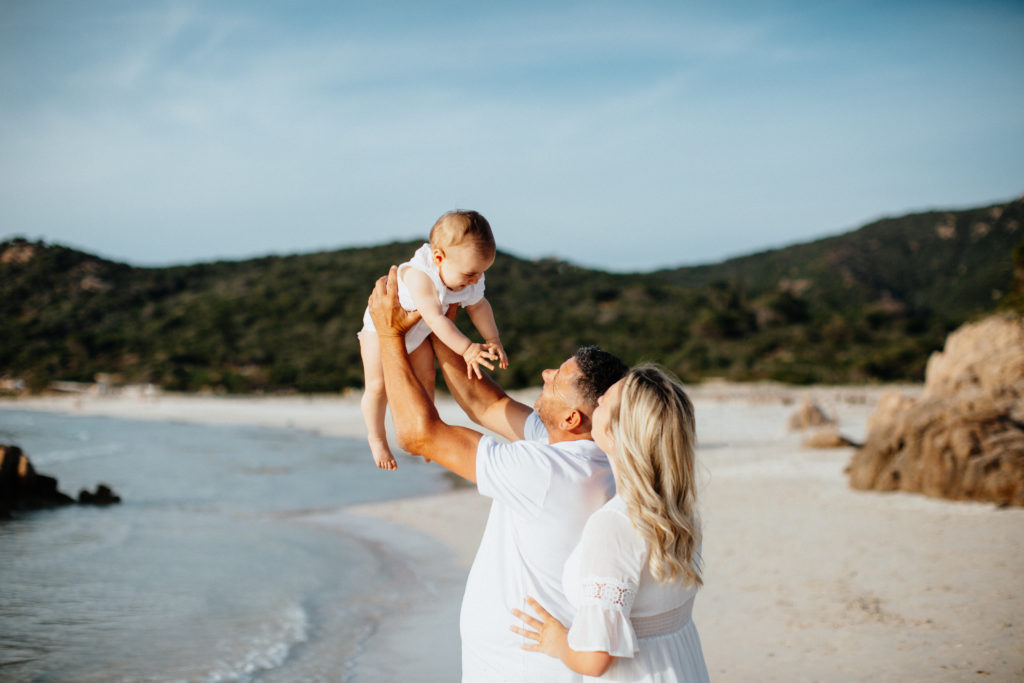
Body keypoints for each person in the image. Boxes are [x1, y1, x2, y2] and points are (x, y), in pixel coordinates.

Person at [366, 266, 627, 682]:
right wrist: (438, 316)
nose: (545, 374)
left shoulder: (547, 471)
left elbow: (418, 435)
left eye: (556, 379)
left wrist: (389, 334)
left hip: (523, 669)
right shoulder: (585, 452)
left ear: (572, 417)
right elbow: (482, 403)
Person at [510, 365, 710, 682]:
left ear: (616, 435)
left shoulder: (614, 524)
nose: (598, 399)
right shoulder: (680, 508)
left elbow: (595, 659)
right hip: (683, 666)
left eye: (604, 403)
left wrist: (556, 641)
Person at [358, 210, 508, 471]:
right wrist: (468, 349)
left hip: (417, 335)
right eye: (469, 274)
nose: (474, 281)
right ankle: (377, 438)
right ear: (439, 258)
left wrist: (492, 338)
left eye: (481, 274)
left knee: (426, 376)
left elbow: (479, 305)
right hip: (380, 330)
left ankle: (426, 429)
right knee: (377, 385)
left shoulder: (468, 275)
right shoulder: (420, 276)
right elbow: (436, 320)